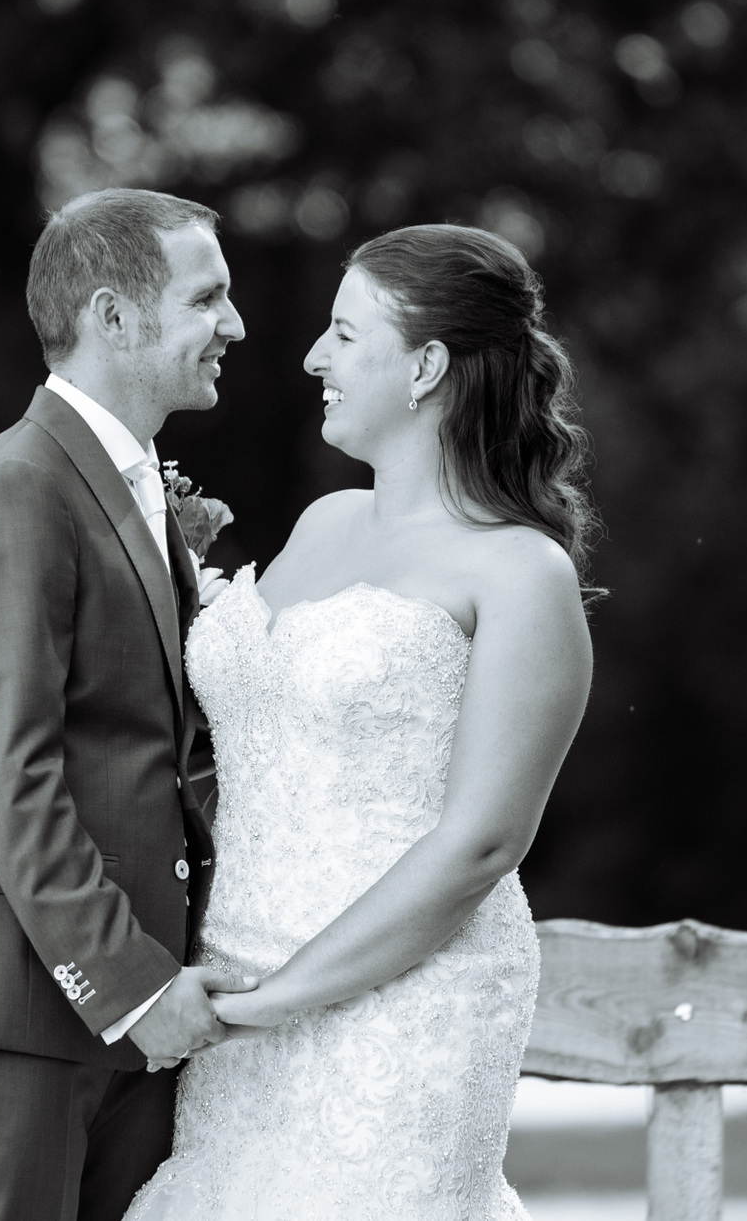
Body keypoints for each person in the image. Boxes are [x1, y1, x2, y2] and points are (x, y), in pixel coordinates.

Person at [124, 224, 596, 1219]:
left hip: (403, 1011)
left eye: (343, 334)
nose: (311, 358)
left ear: (426, 364)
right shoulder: (324, 524)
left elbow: (481, 843)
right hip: (235, 994)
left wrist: (278, 1000)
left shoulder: (520, 574)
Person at [0, 187, 256, 1221]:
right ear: (112, 317)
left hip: (139, 1017)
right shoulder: (13, 488)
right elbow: (12, 775)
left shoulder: (129, 487)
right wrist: (131, 985)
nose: (236, 326)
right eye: (207, 299)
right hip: (21, 1010)